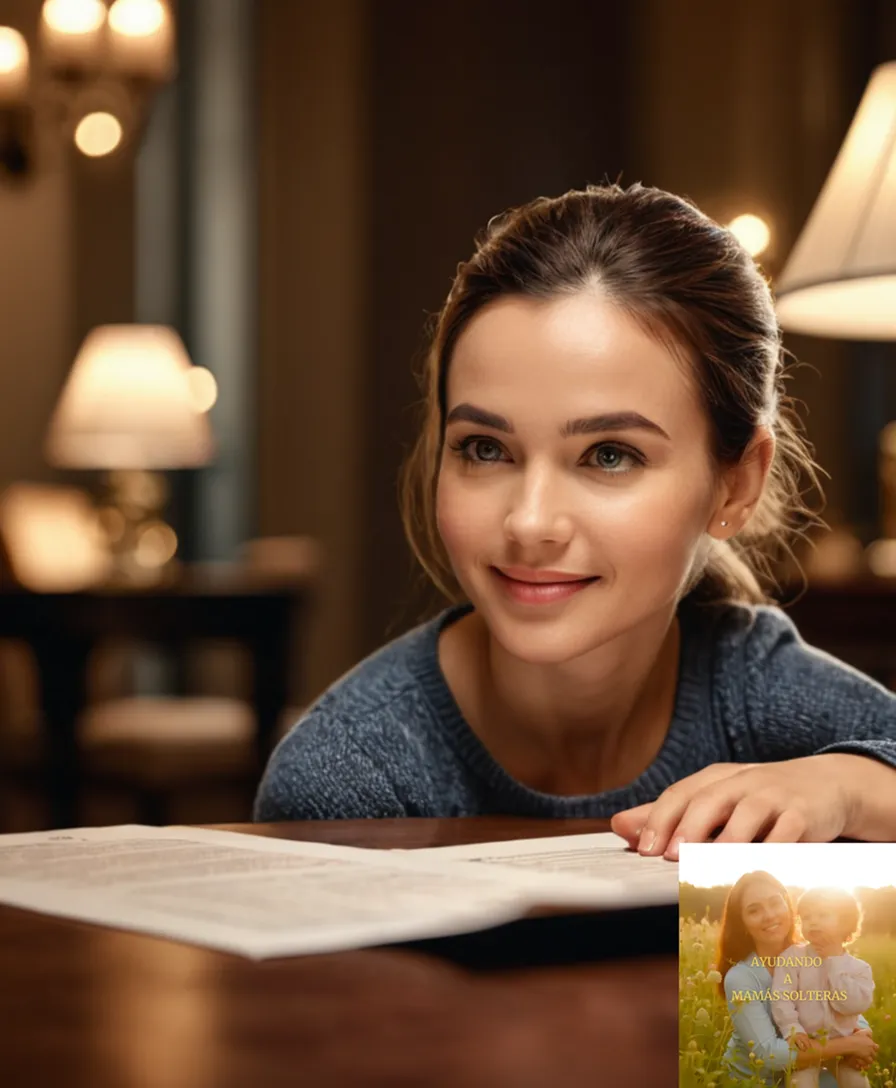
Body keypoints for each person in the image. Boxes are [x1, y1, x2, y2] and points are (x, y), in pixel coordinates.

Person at [254, 182, 896, 849]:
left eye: (610, 456)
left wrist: (851, 788)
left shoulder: (752, 686)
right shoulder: (344, 780)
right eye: (485, 449)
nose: (530, 523)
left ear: (735, 485)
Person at [717, 872, 877, 1085]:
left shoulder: (817, 954)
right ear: (742, 923)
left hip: (810, 1064)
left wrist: (863, 1033)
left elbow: (842, 1005)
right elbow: (768, 1054)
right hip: (757, 1079)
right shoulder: (741, 977)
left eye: (775, 903)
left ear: (788, 907)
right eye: (754, 910)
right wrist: (849, 1045)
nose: (769, 915)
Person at [770, 887, 874, 1087]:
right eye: (807, 917)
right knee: (801, 1083)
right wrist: (793, 1030)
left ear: (845, 922)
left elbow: (851, 1006)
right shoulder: (792, 958)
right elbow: (782, 997)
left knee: (857, 1082)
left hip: (844, 1049)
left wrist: (834, 962)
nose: (813, 922)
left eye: (823, 915)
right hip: (808, 1044)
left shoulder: (859, 969)